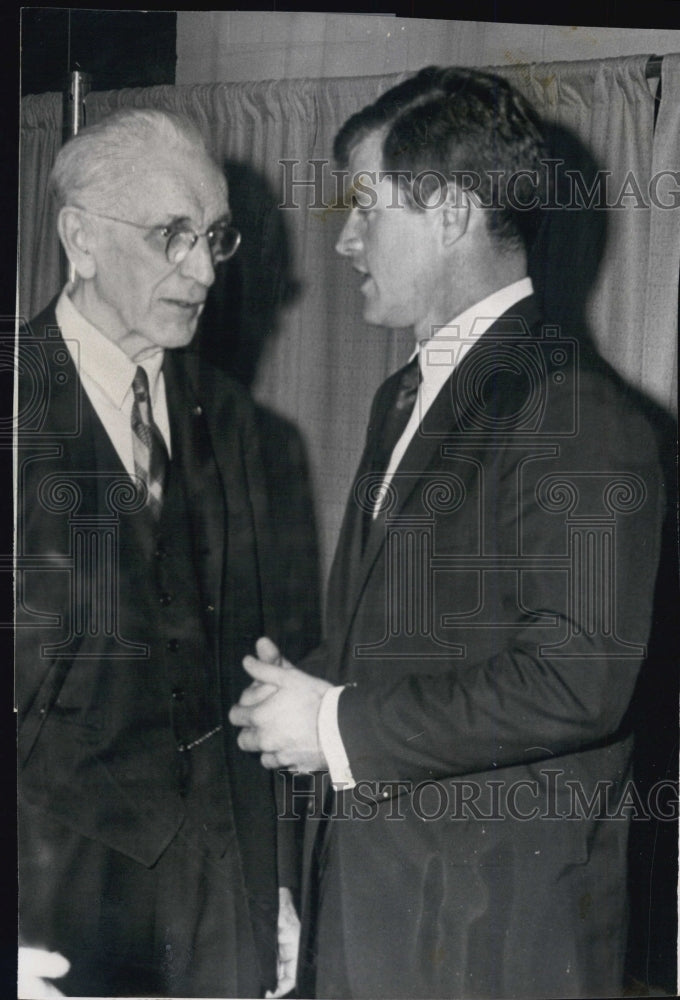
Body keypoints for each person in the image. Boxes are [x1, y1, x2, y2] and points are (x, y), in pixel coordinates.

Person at [229, 67, 665, 999]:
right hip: (379, 920)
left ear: (451, 213)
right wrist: (300, 695)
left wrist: (332, 721)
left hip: (489, 948)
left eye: (364, 205)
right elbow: (413, 650)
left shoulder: (577, 412)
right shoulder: (407, 397)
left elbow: (575, 682)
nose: (344, 239)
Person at [16, 108, 299, 998]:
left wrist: (275, 885)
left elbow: (256, 672)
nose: (206, 270)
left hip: (216, 903)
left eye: (215, 237)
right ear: (81, 239)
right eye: (173, 236)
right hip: (49, 914)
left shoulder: (240, 424)